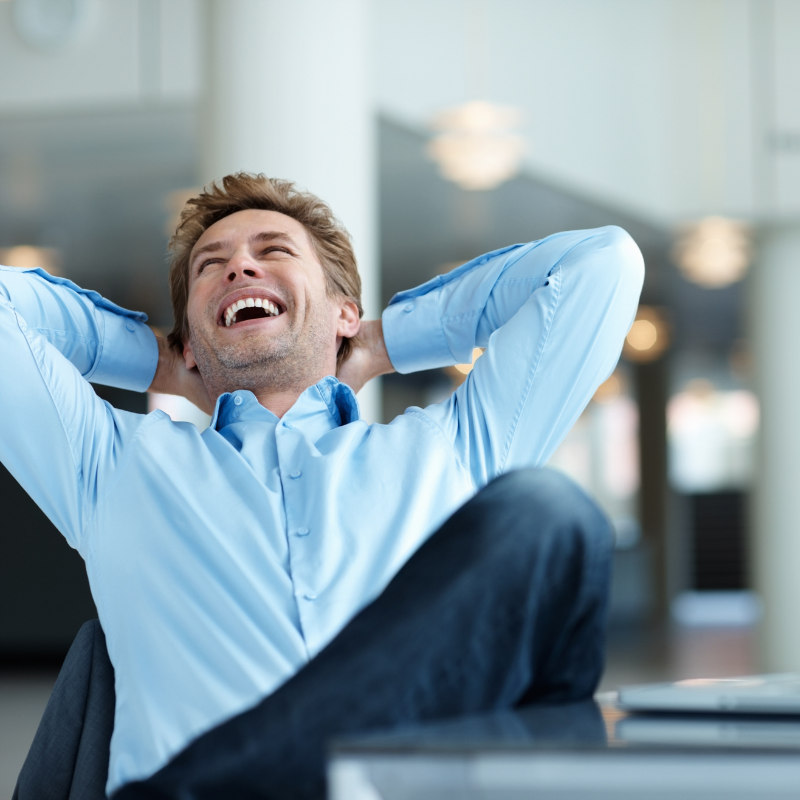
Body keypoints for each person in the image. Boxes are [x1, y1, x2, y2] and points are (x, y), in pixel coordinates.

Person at [4, 173, 643, 799]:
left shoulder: (449, 450)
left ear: (344, 312)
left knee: (551, 514)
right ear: (192, 344)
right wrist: (161, 360)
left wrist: (384, 342)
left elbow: (602, 265)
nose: (239, 269)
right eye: (210, 266)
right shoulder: (115, 464)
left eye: (273, 251)